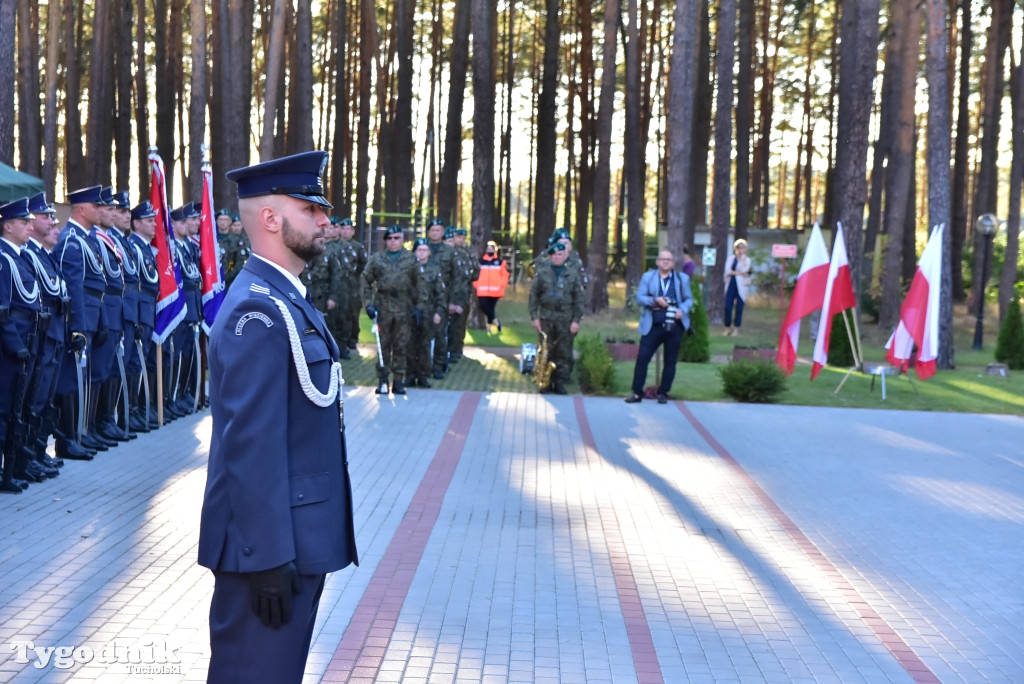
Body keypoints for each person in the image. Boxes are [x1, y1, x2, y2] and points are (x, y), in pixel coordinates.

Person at [198, 150, 358, 684]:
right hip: (267, 552)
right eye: (310, 209)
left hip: (293, 539)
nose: (324, 221)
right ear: (270, 219)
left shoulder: (286, 299)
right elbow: (251, 445)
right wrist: (266, 556)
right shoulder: (257, 312)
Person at [1, 198, 45, 492]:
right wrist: (16, 345)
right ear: (7, 226)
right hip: (11, 345)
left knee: (17, 408)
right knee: (4, 409)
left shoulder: (21, 256)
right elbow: (3, 309)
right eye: (24, 222)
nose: (31, 226)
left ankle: (13, 466)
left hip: (28, 337)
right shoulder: (4, 259)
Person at [624, 250, 693, 404]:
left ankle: (663, 392)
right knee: (642, 358)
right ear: (657, 262)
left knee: (670, 361)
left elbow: (689, 299)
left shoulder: (682, 279)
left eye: (669, 259)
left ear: (673, 263)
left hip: (674, 325)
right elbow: (640, 298)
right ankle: (637, 392)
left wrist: (682, 310)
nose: (665, 262)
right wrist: (655, 300)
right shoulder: (648, 277)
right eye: (662, 259)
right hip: (653, 325)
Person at [361, 225, 417, 394]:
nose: (393, 242)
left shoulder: (411, 259)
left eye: (397, 238)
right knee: (383, 345)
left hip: (403, 306)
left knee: (401, 344)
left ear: (402, 239)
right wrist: (368, 304)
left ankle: (399, 380)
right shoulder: (377, 259)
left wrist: (419, 307)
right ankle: (383, 381)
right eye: (390, 238)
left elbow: (419, 285)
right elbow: (365, 280)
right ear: (386, 240)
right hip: (383, 307)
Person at [528, 242, 583, 395]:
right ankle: (545, 383)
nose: (557, 257)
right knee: (546, 350)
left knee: (563, 352)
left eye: (560, 255)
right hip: (546, 317)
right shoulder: (543, 273)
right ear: (550, 256)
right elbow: (533, 296)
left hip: (565, 318)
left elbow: (579, 299)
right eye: (554, 255)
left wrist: (576, 321)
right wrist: (534, 317)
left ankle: (559, 382)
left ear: (565, 256)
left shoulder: (572, 274)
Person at [406, 238, 445, 388]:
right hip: (410, 312)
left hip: (428, 313)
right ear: (414, 252)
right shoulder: (408, 269)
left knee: (424, 345)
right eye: (419, 250)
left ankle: (423, 375)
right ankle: (410, 375)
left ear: (429, 252)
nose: (421, 253)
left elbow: (441, 293)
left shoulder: (435, 270)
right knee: (409, 344)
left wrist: (439, 312)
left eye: (424, 250)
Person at [447, 228, 477, 363]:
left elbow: (474, 272)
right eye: (459, 237)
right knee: (450, 325)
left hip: (463, 294)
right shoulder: (451, 254)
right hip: (450, 295)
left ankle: (457, 350)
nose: (461, 240)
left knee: (460, 325)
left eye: (464, 238)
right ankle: (449, 351)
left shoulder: (466, 254)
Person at [473, 240, 509, 333]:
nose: (489, 250)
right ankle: (496, 322)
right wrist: (476, 284)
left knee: (491, 309)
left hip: (495, 291)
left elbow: (505, 275)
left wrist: (501, 284)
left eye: (491, 248)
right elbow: (475, 274)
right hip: (482, 290)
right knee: (484, 306)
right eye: (488, 248)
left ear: (495, 250)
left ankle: (488, 327)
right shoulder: (481, 261)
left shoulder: (500, 262)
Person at [723, 238, 751, 336]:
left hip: (741, 286)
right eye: (739, 248)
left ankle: (736, 329)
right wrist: (740, 273)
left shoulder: (747, 260)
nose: (741, 250)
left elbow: (745, 270)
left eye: (743, 248)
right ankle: (727, 328)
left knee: (739, 308)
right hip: (731, 283)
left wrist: (742, 261)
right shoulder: (731, 259)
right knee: (728, 306)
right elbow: (728, 271)